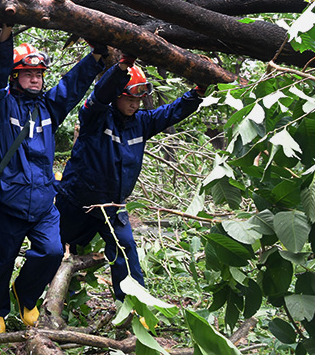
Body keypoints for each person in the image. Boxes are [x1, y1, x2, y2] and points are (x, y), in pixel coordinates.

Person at [0, 30, 106, 334]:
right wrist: (4, 39)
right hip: (5, 202)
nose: (35, 79)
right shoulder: (2, 105)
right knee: (0, 261)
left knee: (51, 252)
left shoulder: (48, 108)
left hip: (43, 203)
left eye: (38, 74)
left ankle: (25, 294)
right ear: (13, 77)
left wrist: (96, 57)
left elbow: (71, 87)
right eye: (27, 74)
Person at [55, 55, 206, 300]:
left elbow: (172, 112)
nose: (134, 104)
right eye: (129, 98)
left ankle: (134, 305)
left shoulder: (141, 123)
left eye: (138, 99)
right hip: (75, 200)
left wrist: (197, 93)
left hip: (112, 205)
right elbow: (101, 95)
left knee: (125, 250)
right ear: (116, 96)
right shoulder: (96, 118)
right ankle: (58, 297)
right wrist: (121, 68)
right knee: (59, 250)